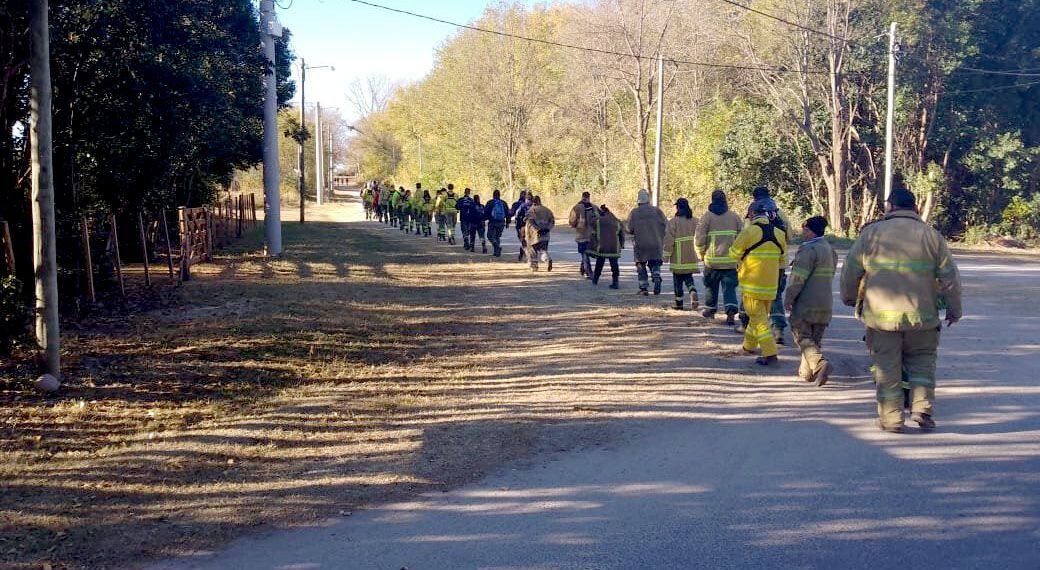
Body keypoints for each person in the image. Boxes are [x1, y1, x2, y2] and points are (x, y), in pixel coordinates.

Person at [840, 187, 962, 433]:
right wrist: (954, 309)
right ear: (915, 207)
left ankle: (892, 419)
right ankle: (922, 409)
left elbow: (851, 270)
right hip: (923, 318)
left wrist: (850, 298)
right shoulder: (931, 235)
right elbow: (950, 277)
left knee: (887, 367)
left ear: (890, 207)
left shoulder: (871, 234)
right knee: (923, 362)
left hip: (881, 319)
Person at [728, 197, 788, 366]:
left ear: (752, 214)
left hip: (752, 285)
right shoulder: (779, 233)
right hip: (770, 286)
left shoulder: (749, 231)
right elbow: (782, 259)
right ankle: (748, 346)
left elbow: (733, 254)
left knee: (759, 320)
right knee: (757, 317)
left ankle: (770, 353)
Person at [783, 216, 839, 387]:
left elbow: (798, 278)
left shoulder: (808, 250)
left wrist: (789, 297)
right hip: (825, 304)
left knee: (801, 335)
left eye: (805, 230)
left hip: (807, 303)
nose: (803, 233)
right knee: (814, 340)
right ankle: (808, 372)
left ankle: (821, 364)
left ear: (812, 231)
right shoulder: (830, 250)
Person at [738, 186, 792, 343]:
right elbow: (788, 237)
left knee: (749, 295)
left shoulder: (752, 215)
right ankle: (778, 329)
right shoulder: (780, 213)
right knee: (775, 297)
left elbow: (745, 238)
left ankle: (745, 324)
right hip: (778, 263)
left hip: (755, 265)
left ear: (754, 198)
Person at [695, 190, 743, 324]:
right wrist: (739, 255)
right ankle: (731, 310)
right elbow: (742, 237)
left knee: (711, 286)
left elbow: (699, 237)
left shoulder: (707, 217)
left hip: (712, 261)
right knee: (730, 287)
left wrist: (701, 254)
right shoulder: (734, 217)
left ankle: (710, 310)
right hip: (731, 261)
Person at [625, 189, 668, 296]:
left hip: (641, 244)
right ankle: (656, 275)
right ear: (648, 200)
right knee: (655, 262)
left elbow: (629, 228)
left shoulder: (634, 213)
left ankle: (643, 288)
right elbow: (666, 226)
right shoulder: (658, 211)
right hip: (656, 243)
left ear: (638, 201)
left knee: (641, 265)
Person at [663, 198, 700, 311]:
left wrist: (666, 255)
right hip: (691, 256)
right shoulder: (695, 221)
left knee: (677, 280)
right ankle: (693, 291)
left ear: (678, 208)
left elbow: (669, 240)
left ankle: (679, 304)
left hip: (678, 257)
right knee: (689, 278)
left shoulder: (673, 222)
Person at [589, 204, 623, 288]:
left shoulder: (598, 221)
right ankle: (615, 282)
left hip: (602, 247)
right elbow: (622, 235)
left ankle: (595, 280)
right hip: (614, 248)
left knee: (599, 263)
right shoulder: (617, 221)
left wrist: (595, 215)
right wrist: (621, 246)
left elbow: (591, 223)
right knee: (614, 265)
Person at [568, 191, 597, 279]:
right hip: (592, 235)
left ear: (582, 197)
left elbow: (572, 221)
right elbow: (600, 217)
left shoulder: (576, 207)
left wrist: (574, 225)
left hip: (581, 234)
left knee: (584, 253)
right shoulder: (594, 207)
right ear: (589, 197)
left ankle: (589, 272)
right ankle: (583, 269)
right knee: (586, 253)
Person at [524, 195, 555, 271]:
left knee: (533, 250)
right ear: (540, 201)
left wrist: (538, 229)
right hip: (545, 234)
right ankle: (547, 259)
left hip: (534, 235)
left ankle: (534, 266)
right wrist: (547, 229)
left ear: (533, 202)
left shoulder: (531, 211)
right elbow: (552, 221)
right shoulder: (547, 210)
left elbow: (529, 222)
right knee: (543, 250)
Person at [484, 189, 510, 257]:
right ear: (499, 195)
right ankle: (496, 252)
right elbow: (507, 213)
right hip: (501, 222)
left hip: (493, 222)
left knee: (490, 236)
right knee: (497, 237)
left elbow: (486, 212)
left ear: (493, 195)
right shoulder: (503, 203)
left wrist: (483, 219)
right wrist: (507, 222)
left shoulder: (490, 202)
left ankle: (496, 247)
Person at [510, 190, 531, 261]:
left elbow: (512, 213)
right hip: (530, 226)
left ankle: (524, 252)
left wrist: (508, 219)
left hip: (520, 226)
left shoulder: (517, 204)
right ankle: (524, 252)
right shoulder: (533, 204)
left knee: (524, 241)